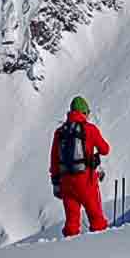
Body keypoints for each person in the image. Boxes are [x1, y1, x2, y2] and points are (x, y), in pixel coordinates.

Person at [49, 96, 111, 237]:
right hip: (86, 181)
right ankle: (100, 249)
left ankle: (71, 253)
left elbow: (54, 160)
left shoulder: (60, 133)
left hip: (66, 183)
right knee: (97, 220)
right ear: (84, 112)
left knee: (72, 223)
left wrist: (56, 183)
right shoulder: (90, 129)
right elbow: (105, 149)